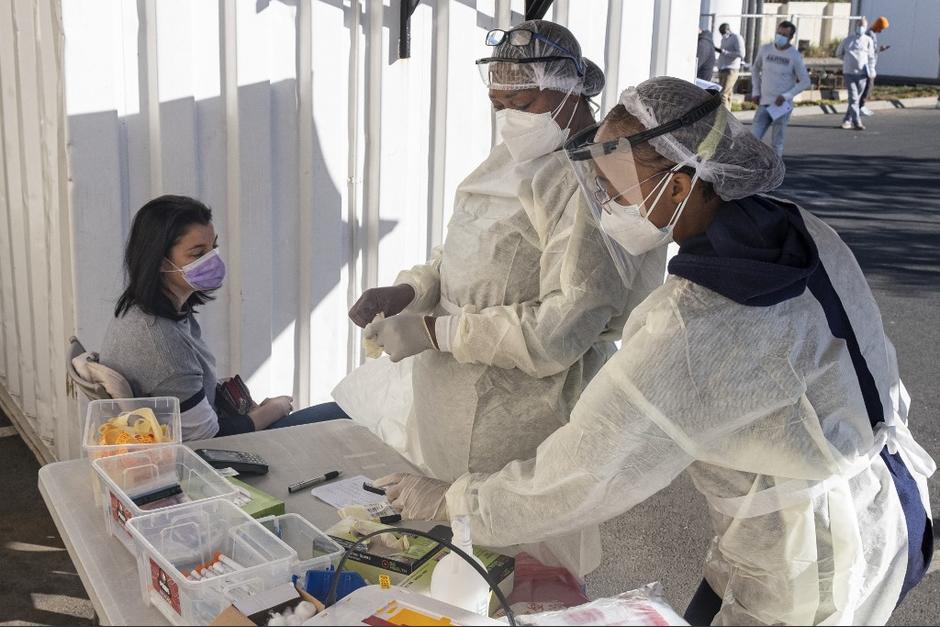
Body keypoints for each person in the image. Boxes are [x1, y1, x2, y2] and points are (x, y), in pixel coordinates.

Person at [373, 77, 935, 625]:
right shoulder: (800, 229)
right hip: (888, 494)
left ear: (683, 179)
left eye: (619, 186)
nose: (607, 202)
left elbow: (583, 473)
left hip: (809, 557)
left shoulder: (695, 323)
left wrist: (456, 502)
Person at [334, 21, 665, 571]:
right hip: (449, 403)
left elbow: (565, 325)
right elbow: (464, 255)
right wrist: (411, 289)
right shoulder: (511, 161)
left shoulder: (585, 183)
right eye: (498, 101)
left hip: (518, 417)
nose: (508, 114)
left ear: (571, 89)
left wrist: (436, 331)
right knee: (444, 566)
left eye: (522, 99)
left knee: (511, 571)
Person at [100, 195, 349, 441]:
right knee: (349, 414)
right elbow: (208, 438)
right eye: (197, 254)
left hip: (210, 433)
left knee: (348, 411)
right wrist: (272, 410)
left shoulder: (152, 311)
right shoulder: (160, 343)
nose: (212, 260)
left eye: (213, 247)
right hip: (210, 457)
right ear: (161, 262)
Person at [750, 20, 810, 156]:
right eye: (779, 33)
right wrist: (756, 91)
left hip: (781, 107)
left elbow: (805, 81)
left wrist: (786, 96)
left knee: (777, 143)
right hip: (764, 102)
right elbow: (755, 69)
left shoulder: (794, 56)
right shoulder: (765, 49)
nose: (780, 37)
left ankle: (776, 171)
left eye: (784, 35)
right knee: (752, 139)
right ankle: (749, 169)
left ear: (790, 37)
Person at [837, 18, 876, 131]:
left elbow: (871, 57)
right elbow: (839, 53)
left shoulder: (868, 40)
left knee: (855, 99)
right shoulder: (848, 40)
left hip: (863, 74)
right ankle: (857, 122)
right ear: (855, 26)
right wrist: (848, 61)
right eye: (859, 25)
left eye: (863, 26)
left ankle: (847, 120)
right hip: (849, 73)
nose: (861, 28)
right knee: (853, 98)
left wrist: (872, 69)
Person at [859, 16, 890, 116]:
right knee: (868, 86)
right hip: (867, 65)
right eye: (881, 28)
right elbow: (869, 50)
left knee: (868, 86)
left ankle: (861, 105)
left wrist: (879, 49)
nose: (882, 30)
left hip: (869, 65)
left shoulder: (872, 34)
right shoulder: (870, 34)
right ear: (878, 26)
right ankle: (860, 106)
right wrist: (879, 49)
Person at [715, 23, 745, 109]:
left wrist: (724, 52)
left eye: (723, 32)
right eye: (721, 33)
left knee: (723, 94)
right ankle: (729, 116)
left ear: (728, 30)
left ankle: (725, 117)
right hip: (722, 68)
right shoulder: (724, 39)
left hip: (731, 69)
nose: (722, 35)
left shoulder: (736, 38)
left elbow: (741, 54)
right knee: (728, 94)